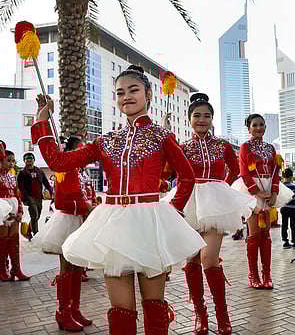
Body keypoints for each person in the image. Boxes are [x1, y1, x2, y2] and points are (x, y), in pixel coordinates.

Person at [31, 65, 206, 335]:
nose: (126, 96)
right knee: (120, 312)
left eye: (133, 90)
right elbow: (58, 161)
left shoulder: (162, 136)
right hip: (113, 223)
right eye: (120, 92)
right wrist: (42, 119)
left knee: (154, 307)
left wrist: (174, 211)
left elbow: (187, 177)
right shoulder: (106, 140)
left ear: (148, 94)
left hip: (149, 223)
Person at [167, 93, 255, 335]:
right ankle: (200, 315)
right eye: (197, 115)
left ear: (213, 119)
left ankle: (222, 315)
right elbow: (170, 171)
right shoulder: (182, 147)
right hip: (188, 201)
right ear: (189, 119)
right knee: (192, 259)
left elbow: (235, 170)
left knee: (209, 259)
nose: (202, 120)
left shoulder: (223, 145)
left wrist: (220, 188)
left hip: (214, 204)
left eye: (206, 115)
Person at [33, 136, 94, 331]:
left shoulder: (79, 171)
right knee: (67, 268)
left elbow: (83, 194)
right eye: (80, 150)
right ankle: (63, 312)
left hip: (79, 220)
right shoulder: (64, 169)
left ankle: (74, 309)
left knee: (77, 267)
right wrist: (87, 206)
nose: (83, 154)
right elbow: (60, 202)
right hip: (68, 222)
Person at [232, 114, 293, 290]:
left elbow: (275, 171)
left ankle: (267, 275)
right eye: (254, 125)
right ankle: (253, 275)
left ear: (265, 127)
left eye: (261, 125)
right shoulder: (245, 147)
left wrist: (274, 192)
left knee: (266, 235)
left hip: (269, 191)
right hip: (251, 191)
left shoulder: (271, 148)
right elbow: (244, 173)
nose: (258, 128)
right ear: (248, 128)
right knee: (254, 235)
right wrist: (258, 193)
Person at [0, 149, 30, 281]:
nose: (12, 163)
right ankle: (2, 269)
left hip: (13, 210)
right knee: (2, 241)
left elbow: (18, 195)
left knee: (14, 240)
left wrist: (20, 211)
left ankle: (16, 269)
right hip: (2, 211)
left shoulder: (13, 176)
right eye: (8, 161)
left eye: (13, 161)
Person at [17, 152, 53, 237]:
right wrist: (26, 197)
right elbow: (21, 187)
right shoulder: (22, 172)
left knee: (37, 216)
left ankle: (29, 231)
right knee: (34, 214)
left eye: (31, 158)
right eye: (27, 159)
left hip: (39, 197)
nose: (29, 160)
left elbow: (46, 182)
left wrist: (51, 192)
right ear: (24, 161)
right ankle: (36, 233)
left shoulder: (39, 170)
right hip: (29, 197)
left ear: (34, 160)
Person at [280, 168, 295, 249]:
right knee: (293, 225)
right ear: (291, 176)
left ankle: (285, 241)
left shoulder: (281, 186)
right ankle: (294, 241)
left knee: (284, 225)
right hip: (293, 209)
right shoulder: (293, 186)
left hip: (284, 208)